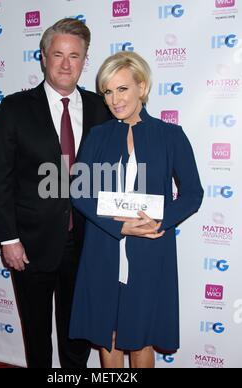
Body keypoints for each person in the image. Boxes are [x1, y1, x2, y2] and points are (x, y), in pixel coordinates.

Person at [0, 18, 111, 368]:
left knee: (78, 335)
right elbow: (0, 179)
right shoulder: (15, 108)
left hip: (87, 243)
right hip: (29, 244)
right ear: (43, 57)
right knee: (37, 336)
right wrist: (8, 238)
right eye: (58, 54)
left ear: (85, 60)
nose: (66, 64)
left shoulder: (102, 108)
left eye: (75, 55)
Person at [69, 51, 204, 368]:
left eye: (122, 89)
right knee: (108, 336)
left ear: (141, 87)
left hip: (149, 250)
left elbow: (192, 194)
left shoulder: (170, 136)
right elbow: (79, 191)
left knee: (141, 339)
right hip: (104, 247)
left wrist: (159, 221)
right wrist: (119, 227)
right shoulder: (98, 135)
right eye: (108, 91)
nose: (114, 99)